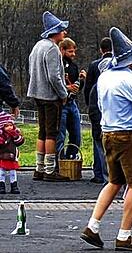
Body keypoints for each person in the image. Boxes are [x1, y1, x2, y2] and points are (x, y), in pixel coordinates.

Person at [79, 27, 132, 251]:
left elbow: (100, 105)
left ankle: (93, 225)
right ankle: (124, 234)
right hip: (126, 134)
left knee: (114, 181)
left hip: (107, 132)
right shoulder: (130, 80)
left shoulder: (105, 76)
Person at [27, 11, 70, 182]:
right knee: (52, 133)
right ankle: (50, 170)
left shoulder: (38, 46)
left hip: (37, 93)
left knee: (42, 131)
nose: (64, 33)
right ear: (56, 31)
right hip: (50, 96)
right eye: (62, 30)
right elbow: (54, 76)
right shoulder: (52, 49)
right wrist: (63, 93)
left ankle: (39, 168)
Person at [83, 37, 112, 184]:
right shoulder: (119, 65)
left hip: (96, 109)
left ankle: (99, 173)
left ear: (101, 50)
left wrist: (89, 105)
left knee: (98, 142)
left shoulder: (94, 65)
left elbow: (88, 89)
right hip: (111, 111)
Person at [56, 37, 85, 160]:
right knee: (60, 135)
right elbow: (55, 82)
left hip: (72, 102)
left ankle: (71, 156)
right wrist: (67, 87)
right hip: (61, 103)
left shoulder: (74, 66)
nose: (73, 54)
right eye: (70, 52)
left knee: (76, 134)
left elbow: (77, 89)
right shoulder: (57, 64)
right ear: (62, 50)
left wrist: (82, 80)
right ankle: (59, 160)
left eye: (74, 51)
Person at [0, 113, 24, 194]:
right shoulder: (2, 136)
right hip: (2, 156)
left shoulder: (15, 134)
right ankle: (1, 186)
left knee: (12, 172)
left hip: (12, 157)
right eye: (6, 126)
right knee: (1, 172)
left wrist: (15, 136)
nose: (9, 127)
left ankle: (14, 186)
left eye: (11, 125)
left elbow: (20, 142)